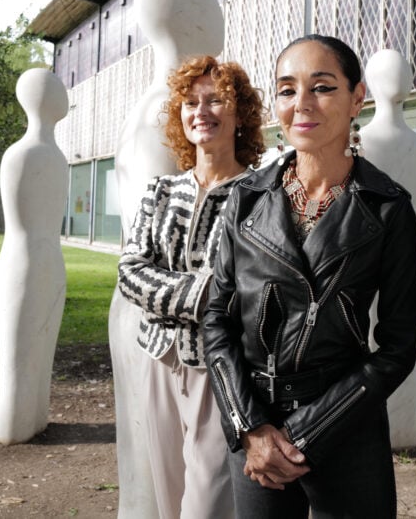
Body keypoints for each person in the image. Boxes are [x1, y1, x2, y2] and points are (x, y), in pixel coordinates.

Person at [203, 34, 416, 518]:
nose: (301, 104)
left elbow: (399, 344)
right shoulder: (244, 200)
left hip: (346, 421)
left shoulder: (388, 208)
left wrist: (306, 433)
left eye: (321, 87)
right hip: (257, 424)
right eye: (286, 90)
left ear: (356, 98)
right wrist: (251, 428)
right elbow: (215, 321)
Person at [117, 55, 265, 519]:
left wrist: (182, 294)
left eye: (215, 100)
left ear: (239, 114)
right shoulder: (160, 191)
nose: (201, 110)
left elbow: (250, 286)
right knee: (167, 495)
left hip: (223, 366)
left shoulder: (261, 195)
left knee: (208, 501)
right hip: (159, 357)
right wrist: (203, 294)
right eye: (190, 102)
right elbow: (129, 272)